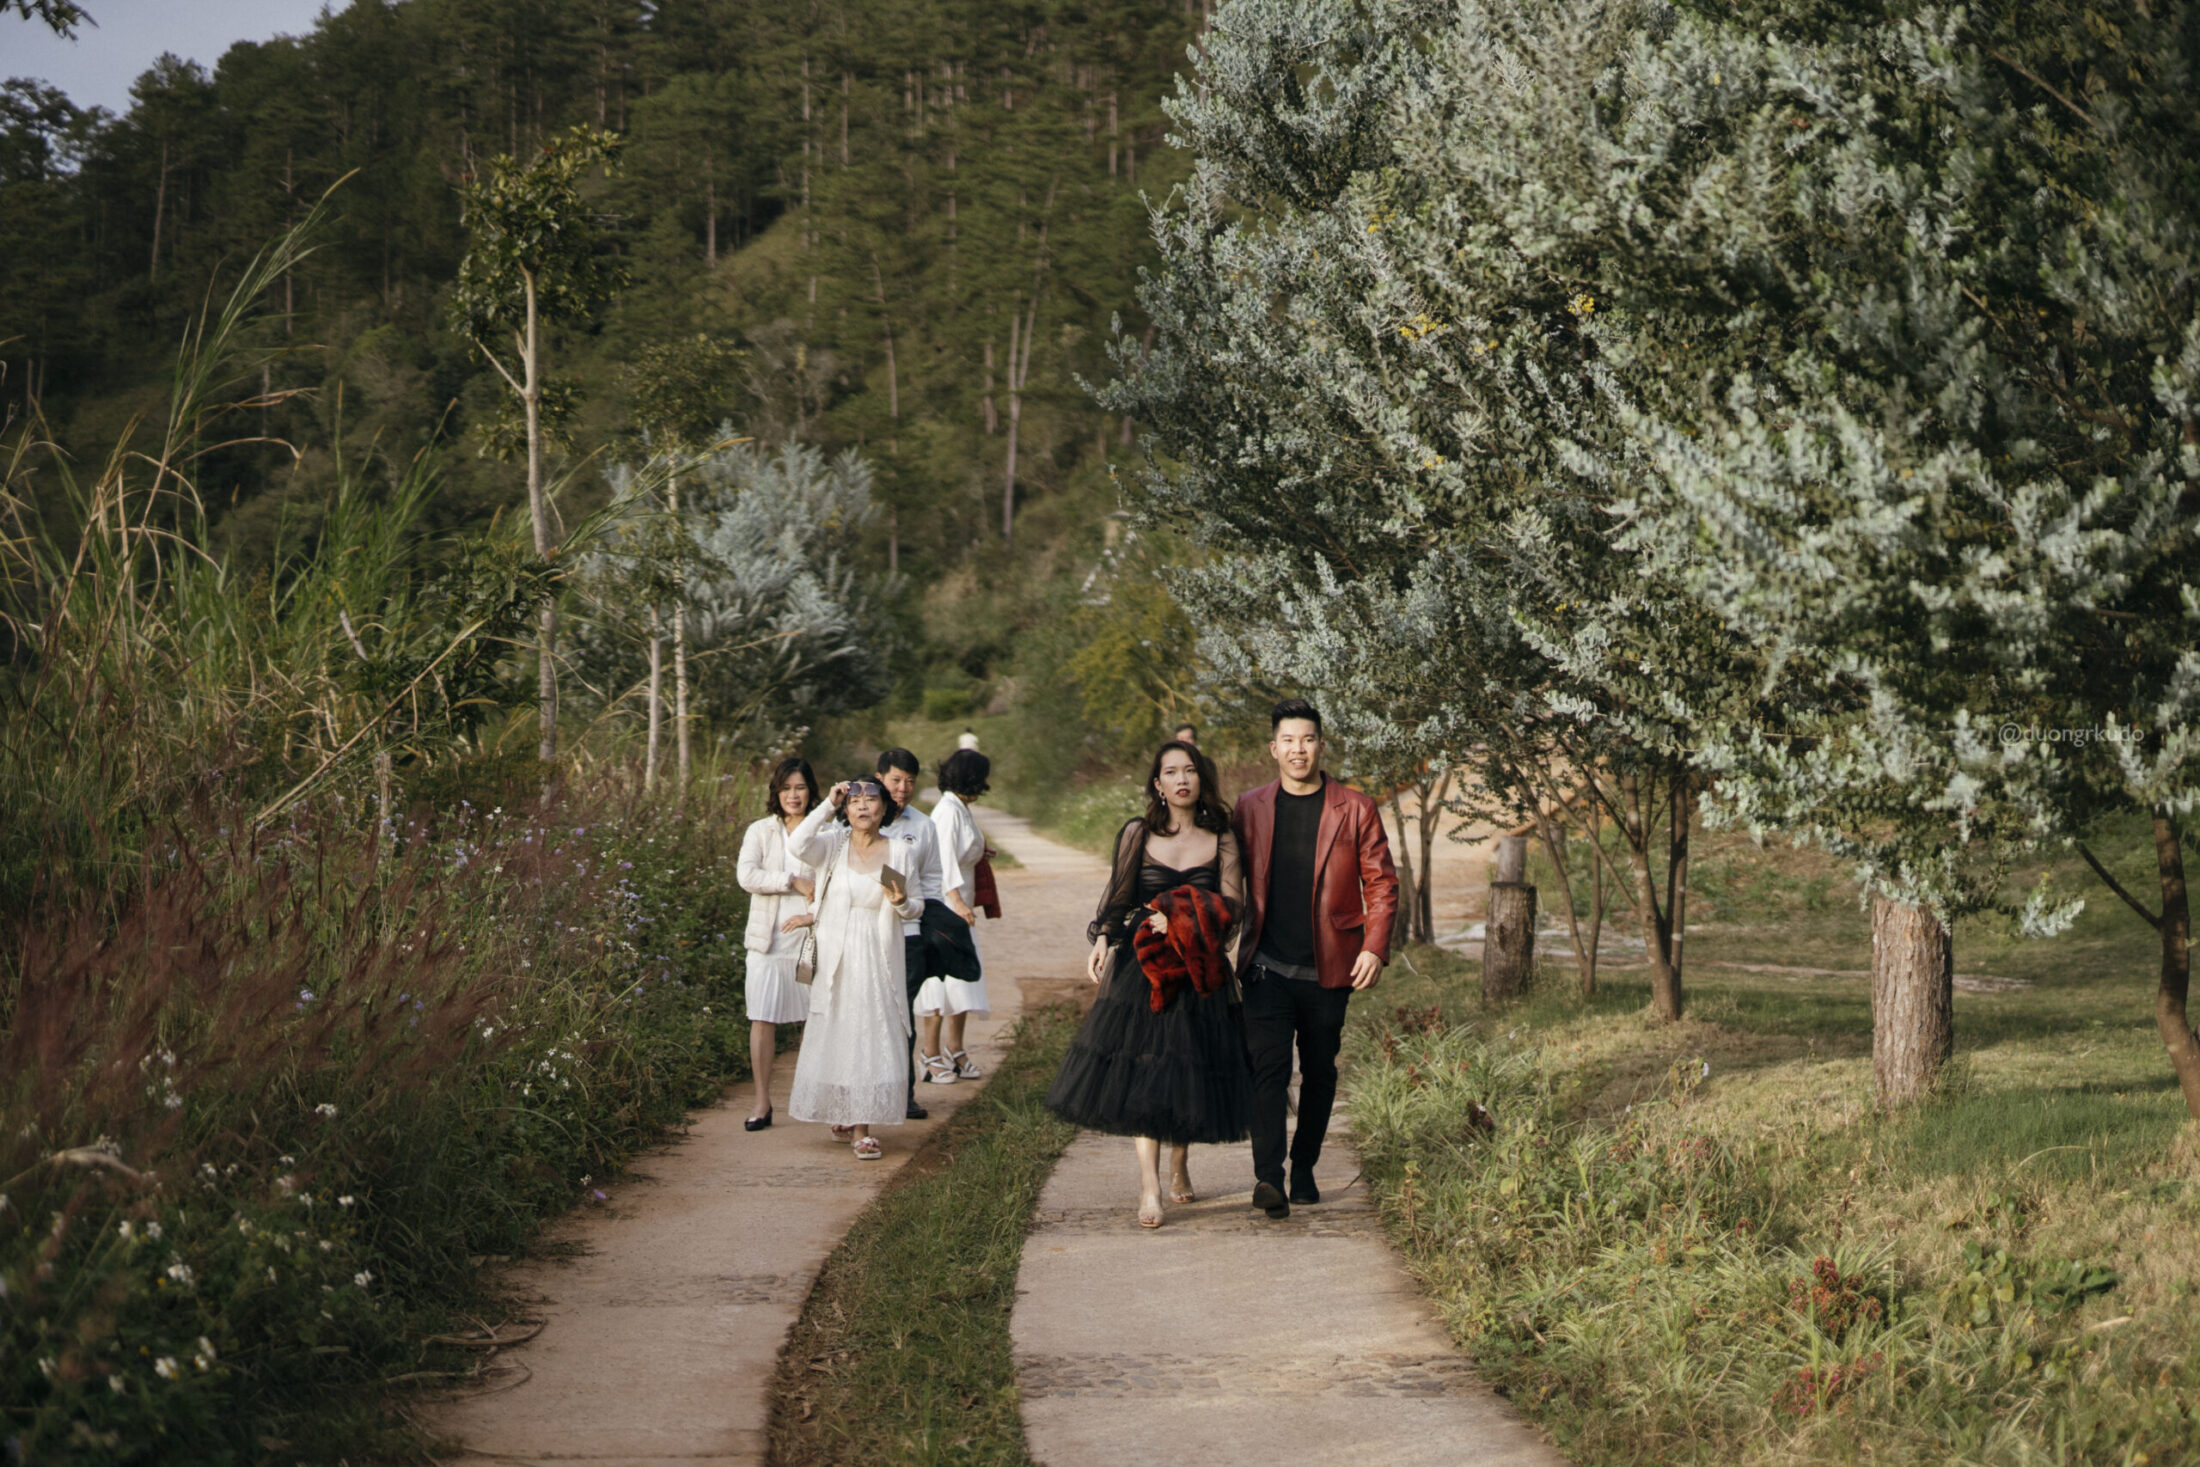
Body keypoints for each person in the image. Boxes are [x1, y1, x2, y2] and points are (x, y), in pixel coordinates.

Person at [1047, 740, 1252, 1229]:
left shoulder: (1222, 837)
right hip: (1143, 968)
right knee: (1145, 1068)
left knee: (1190, 1064)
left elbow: (1233, 909)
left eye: (1190, 770)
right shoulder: (1137, 832)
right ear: (1158, 785)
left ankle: (1180, 1161)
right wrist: (1102, 939)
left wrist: (1180, 916)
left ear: (1202, 779)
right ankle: (1149, 1187)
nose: (1182, 779)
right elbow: (1118, 898)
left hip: (1198, 969)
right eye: (1171, 772)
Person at [1232, 697, 1399, 1219]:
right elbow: (1224, 878)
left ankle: (1304, 1167)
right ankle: (1268, 1177)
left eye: (1307, 739)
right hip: (1266, 965)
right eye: (1288, 740)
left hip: (1330, 964)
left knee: (1320, 1072)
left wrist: (1374, 946)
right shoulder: (1249, 807)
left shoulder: (1356, 807)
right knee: (1267, 1070)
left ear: (1321, 746)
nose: (1297, 749)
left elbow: (1381, 882)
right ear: (1273, 748)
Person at [781, 777, 924, 1159]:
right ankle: (845, 1112)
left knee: (869, 1033)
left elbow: (915, 907)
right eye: (854, 800)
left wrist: (901, 901)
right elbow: (797, 845)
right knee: (839, 1032)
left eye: (871, 799)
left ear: (885, 807)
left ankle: (862, 1127)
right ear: (845, 810)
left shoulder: (898, 852)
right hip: (836, 957)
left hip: (877, 958)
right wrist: (827, 804)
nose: (862, 806)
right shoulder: (832, 845)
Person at [734, 756, 821, 1130]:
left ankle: (816, 1100)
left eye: (800, 787)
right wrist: (792, 881)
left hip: (811, 940)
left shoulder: (825, 831)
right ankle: (762, 1102)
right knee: (762, 1016)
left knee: (817, 1019)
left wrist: (812, 910)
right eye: (786, 788)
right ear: (776, 791)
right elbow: (747, 876)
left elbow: (832, 885)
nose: (793, 795)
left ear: (811, 791)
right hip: (766, 941)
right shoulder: (761, 831)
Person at [875, 748, 946, 1119]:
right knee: (867, 1012)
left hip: (909, 934)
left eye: (910, 782)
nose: (902, 788)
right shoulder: (856, 821)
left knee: (901, 1013)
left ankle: (903, 1093)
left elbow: (933, 881)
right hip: (867, 934)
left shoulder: (923, 826)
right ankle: (869, 1092)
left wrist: (931, 926)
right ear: (879, 779)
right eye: (896, 780)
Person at [916, 748, 992, 1082]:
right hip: (947, 907)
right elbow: (943, 859)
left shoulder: (960, 807)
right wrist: (956, 901)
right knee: (939, 982)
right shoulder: (947, 810)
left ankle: (955, 1049)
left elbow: (962, 849)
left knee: (962, 980)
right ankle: (929, 1054)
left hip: (962, 906)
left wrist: (981, 851)